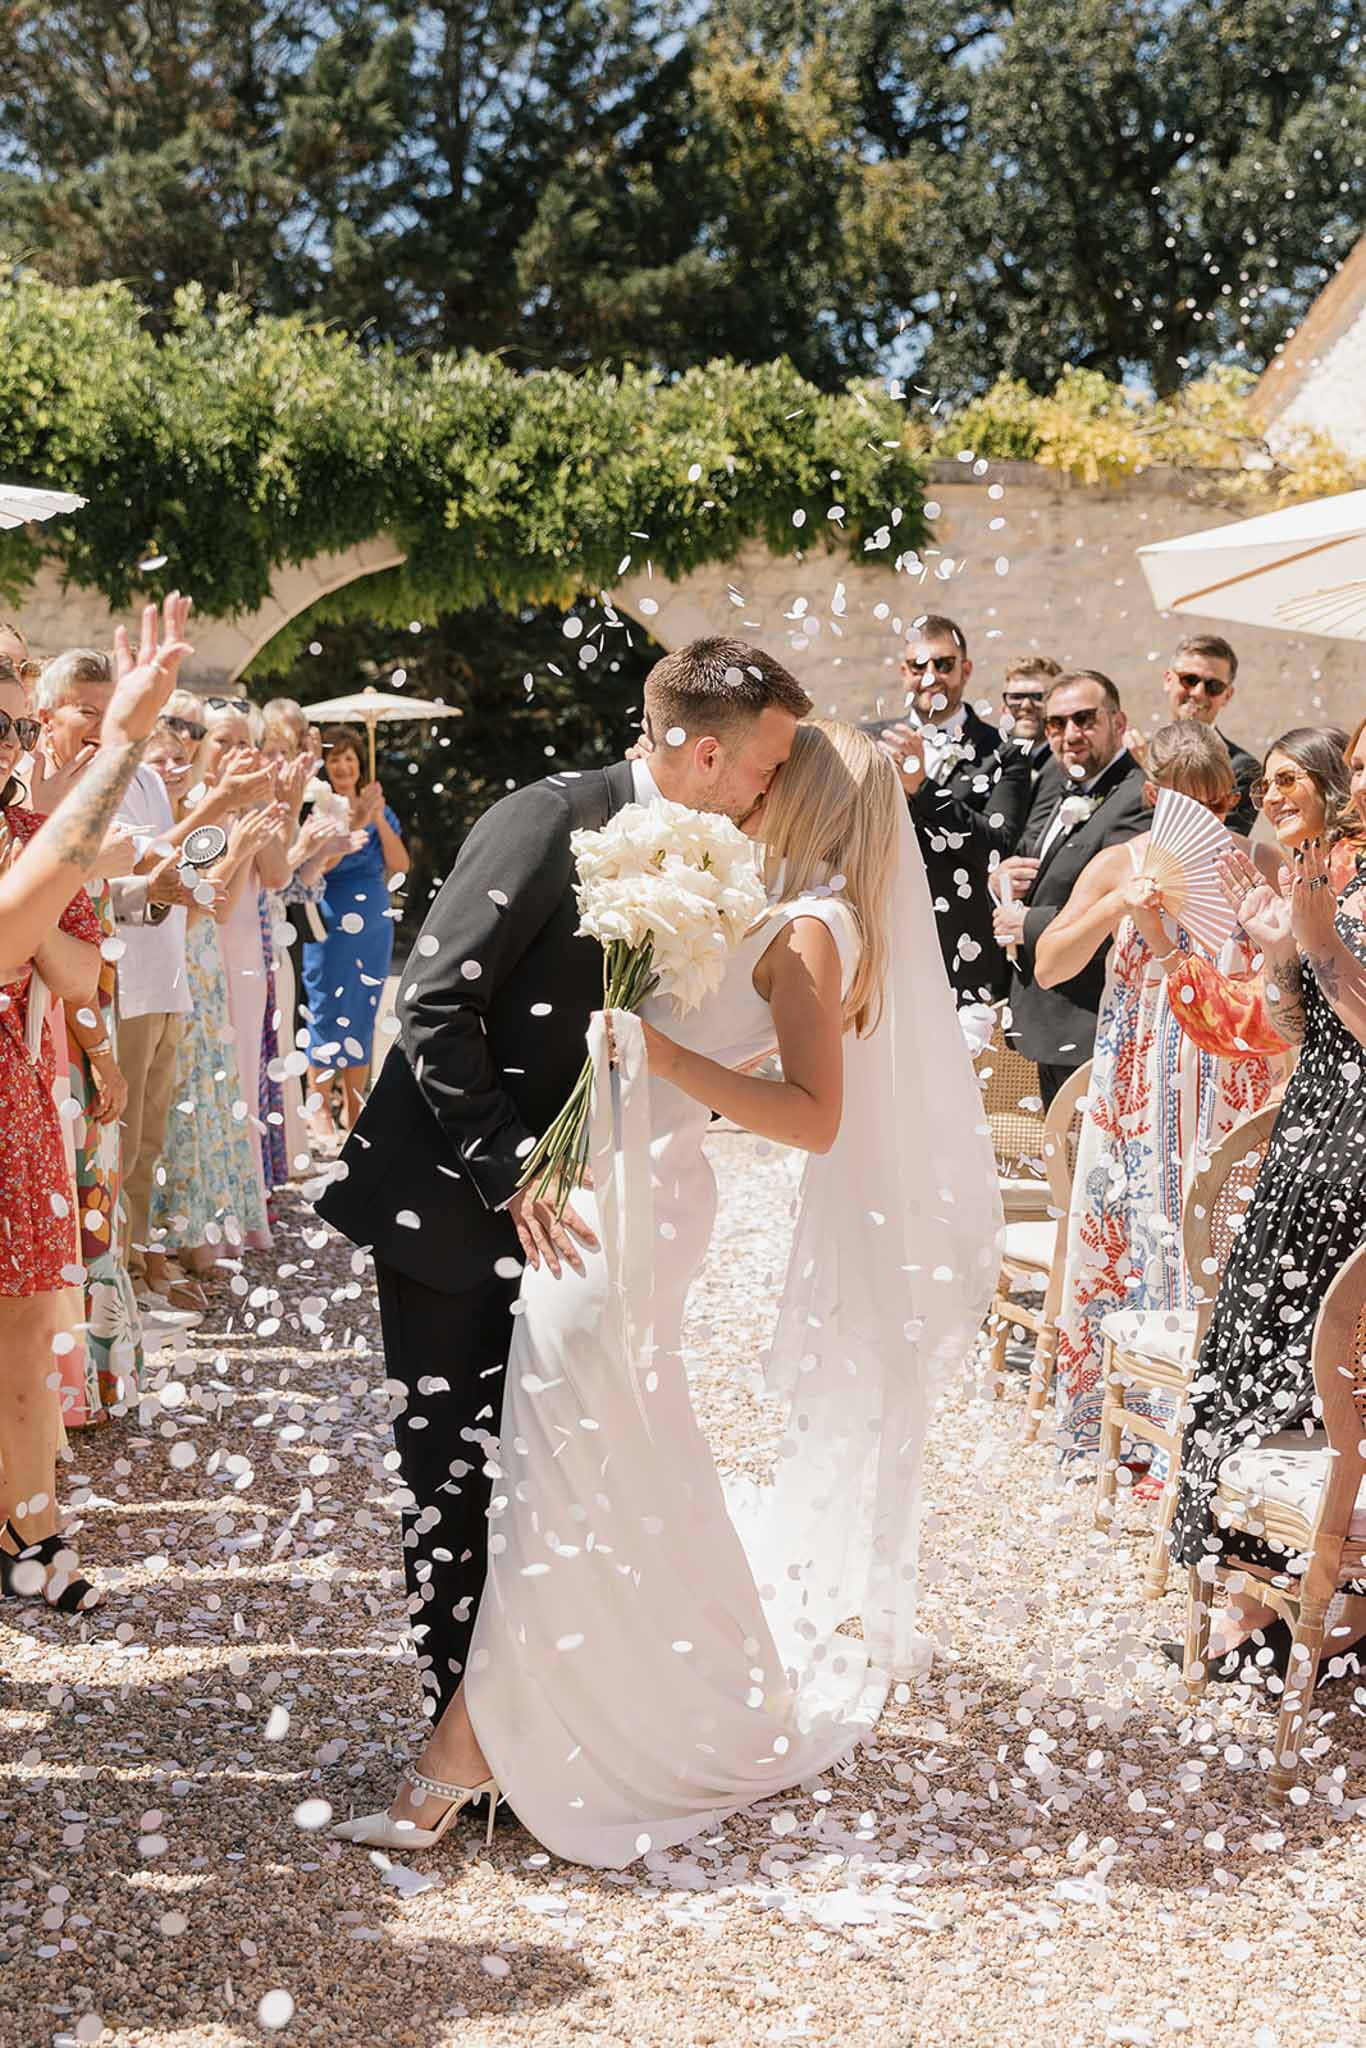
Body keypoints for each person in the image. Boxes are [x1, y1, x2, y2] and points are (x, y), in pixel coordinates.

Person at [328, 718, 1000, 1865]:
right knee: (577, 1468)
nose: (753, 777)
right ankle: (541, 1723)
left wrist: (657, 1052)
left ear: (814, 796)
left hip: (626, 1210)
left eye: (778, 769)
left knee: (564, 1468)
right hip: (610, 1194)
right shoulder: (749, 893)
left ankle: (469, 1750)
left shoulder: (810, 927)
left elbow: (813, 1117)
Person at [316, 638, 813, 1717]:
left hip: (581, 1214)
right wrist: (515, 1169)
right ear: (699, 750)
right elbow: (434, 1002)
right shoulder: (547, 816)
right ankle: (464, 1727)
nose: (774, 784)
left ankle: (534, 1723)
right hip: (455, 1199)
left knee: (541, 1476)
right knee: (454, 1471)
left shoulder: (701, 854)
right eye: (766, 763)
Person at [1164, 724, 1366, 1680]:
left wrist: (1319, 940)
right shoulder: (1328, 876)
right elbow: (1297, 1025)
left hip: (1356, 1154)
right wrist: (1281, 949)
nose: (1277, 795)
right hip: (1308, 1138)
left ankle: (1330, 1597)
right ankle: (1257, 1592)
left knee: (1325, 1372)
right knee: (1255, 1358)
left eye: (1301, 779)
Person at [1033, 724, 1281, 1471]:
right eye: (1188, 804)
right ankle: (1125, 1422)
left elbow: (1288, 971)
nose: (1206, 819)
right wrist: (1119, 911)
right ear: (1154, 798)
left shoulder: (1255, 863)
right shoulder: (1119, 862)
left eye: (1218, 804)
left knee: (1217, 1227)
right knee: (1129, 1224)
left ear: (1233, 800)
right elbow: (1048, 965)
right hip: (1139, 1065)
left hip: (1226, 1071)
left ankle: (1208, 1425)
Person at [0, 653, 104, 1607]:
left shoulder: (34, 837)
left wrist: (26, 901)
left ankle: (32, 1528)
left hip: (16, 1093)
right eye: (4, 729)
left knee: (30, 1325)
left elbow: (79, 977)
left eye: (21, 730)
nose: (14, 748)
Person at [147, 717, 280, 1282]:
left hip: (203, 967)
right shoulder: (179, 819)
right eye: (162, 761)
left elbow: (231, 893)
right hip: (182, 962)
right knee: (173, 1109)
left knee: (204, 1101)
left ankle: (201, 1237)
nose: (176, 769)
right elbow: (206, 900)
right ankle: (164, 1249)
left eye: (181, 758)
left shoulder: (185, 816)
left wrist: (252, 836)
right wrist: (241, 843)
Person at [993, 670, 1148, 1104]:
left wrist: (1027, 922)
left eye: (1084, 719)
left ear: (1118, 723)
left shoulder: (1137, 796)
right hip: (1049, 1016)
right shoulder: (1058, 787)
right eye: (1056, 724)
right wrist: (1001, 879)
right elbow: (1039, 868)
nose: (1070, 734)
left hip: (1095, 1018)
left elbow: (1124, 906)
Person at [866, 614, 1015, 1005]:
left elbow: (999, 845)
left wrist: (922, 787)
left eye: (944, 665)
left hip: (965, 949)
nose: (931, 677)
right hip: (884, 942)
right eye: (919, 666)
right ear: (904, 672)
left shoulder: (1002, 751)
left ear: (965, 670)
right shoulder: (869, 741)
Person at [301, 725, 408, 1139]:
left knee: (363, 1006)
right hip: (330, 914)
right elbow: (315, 869)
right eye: (335, 759)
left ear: (360, 765)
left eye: (350, 758)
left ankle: (356, 1104)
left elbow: (400, 864)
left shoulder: (380, 806)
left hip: (373, 918)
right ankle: (319, 1103)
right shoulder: (318, 808)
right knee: (327, 1003)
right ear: (325, 767)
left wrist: (377, 816)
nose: (343, 766)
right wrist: (353, 821)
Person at [1160, 634, 1258, 836]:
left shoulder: (1241, 768)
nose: (1198, 693)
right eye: (1189, 679)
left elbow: (1221, 843)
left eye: (1213, 686)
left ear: (1227, 696)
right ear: (1168, 680)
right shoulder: (1137, 754)